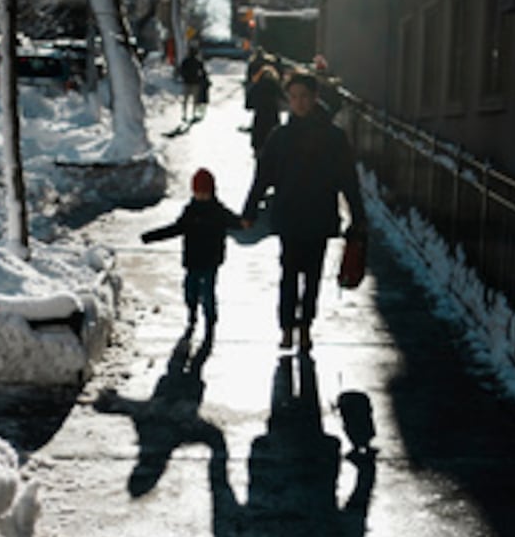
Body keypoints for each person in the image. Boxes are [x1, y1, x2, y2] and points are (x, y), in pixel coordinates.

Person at [241, 71, 366, 353]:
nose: (299, 102)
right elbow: (263, 176)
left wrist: (358, 216)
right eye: (294, 97)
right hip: (289, 215)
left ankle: (305, 326)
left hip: (319, 215)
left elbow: (348, 179)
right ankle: (287, 327)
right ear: (288, 99)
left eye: (304, 97)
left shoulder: (333, 137)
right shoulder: (280, 137)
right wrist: (249, 209)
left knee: (312, 276)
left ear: (315, 98)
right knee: (289, 273)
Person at [141, 167, 243, 337]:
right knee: (190, 291)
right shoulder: (190, 211)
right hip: (193, 260)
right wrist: (150, 237)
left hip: (211, 260)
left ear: (212, 192)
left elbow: (237, 222)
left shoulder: (219, 212)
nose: (201, 196)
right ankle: (192, 314)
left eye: (205, 193)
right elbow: (175, 229)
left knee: (208, 293)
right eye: (198, 193)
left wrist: (246, 220)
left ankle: (210, 322)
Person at [245, 62, 285, 158]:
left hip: (260, 117)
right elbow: (285, 99)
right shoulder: (275, 85)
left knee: (260, 143)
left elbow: (248, 105)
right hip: (273, 116)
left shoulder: (256, 86)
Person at [178, 44, 206, 121]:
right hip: (195, 82)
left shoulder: (185, 61)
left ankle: (184, 114)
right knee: (195, 100)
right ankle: (193, 114)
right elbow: (203, 72)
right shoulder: (198, 61)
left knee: (185, 100)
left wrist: (184, 77)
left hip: (187, 82)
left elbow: (181, 70)